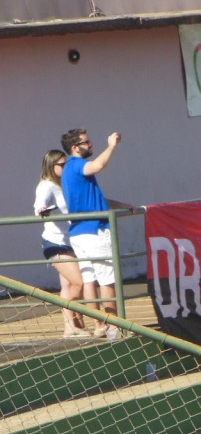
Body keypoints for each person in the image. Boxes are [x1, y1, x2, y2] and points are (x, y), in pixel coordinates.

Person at [60, 128, 137, 339]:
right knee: (106, 280)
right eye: (86, 143)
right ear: (75, 148)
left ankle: (100, 324)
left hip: (80, 233)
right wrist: (112, 145)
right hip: (94, 231)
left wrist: (121, 204)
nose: (91, 145)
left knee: (89, 280)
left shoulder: (69, 170)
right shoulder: (78, 166)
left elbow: (94, 201)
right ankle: (113, 327)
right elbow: (99, 165)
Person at [34, 149, 93, 337]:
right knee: (80, 284)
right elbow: (38, 206)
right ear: (52, 166)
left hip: (72, 241)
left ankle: (72, 326)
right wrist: (43, 209)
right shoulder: (47, 185)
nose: (65, 167)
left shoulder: (64, 184)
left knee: (68, 287)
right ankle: (71, 321)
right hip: (55, 243)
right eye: (62, 165)